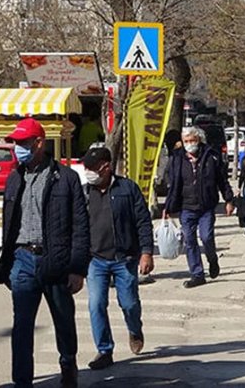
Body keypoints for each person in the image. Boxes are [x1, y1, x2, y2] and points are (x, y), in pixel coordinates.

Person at [0, 118, 89, 388]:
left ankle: (68, 363)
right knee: (22, 326)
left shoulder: (66, 178)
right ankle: (22, 381)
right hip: (22, 259)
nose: (18, 148)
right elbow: (8, 220)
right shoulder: (15, 178)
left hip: (56, 260)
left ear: (39, 143)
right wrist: (6, 264)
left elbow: (80, 225)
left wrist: (77, 267)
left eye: (23, 143)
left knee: (63, 320)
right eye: (15, 143)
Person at [80, 147, 155, 370]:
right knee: (96, 304)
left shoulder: (127, 188)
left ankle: (135, 329)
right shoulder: (84, 193)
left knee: (129, 303)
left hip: (125, 258)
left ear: (106, 166)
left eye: (92, 168)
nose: (89, 173)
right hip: (95, 260)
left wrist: (146, 252)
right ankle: (104, 350)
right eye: (87, 168)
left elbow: (143, 221)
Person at [164, 126, 234, 289]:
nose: (190, 144)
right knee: (189, 240)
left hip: (206, 206)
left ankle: (212, 259)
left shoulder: (211, 156)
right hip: (186, 207)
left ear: (199, 140)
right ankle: (197, 274)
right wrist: (168, 206)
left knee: (206, 237)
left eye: (192, 140)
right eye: (186, 141)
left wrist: (229, 200)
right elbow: (173, 183)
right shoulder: (177, 158)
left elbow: (222, 181)